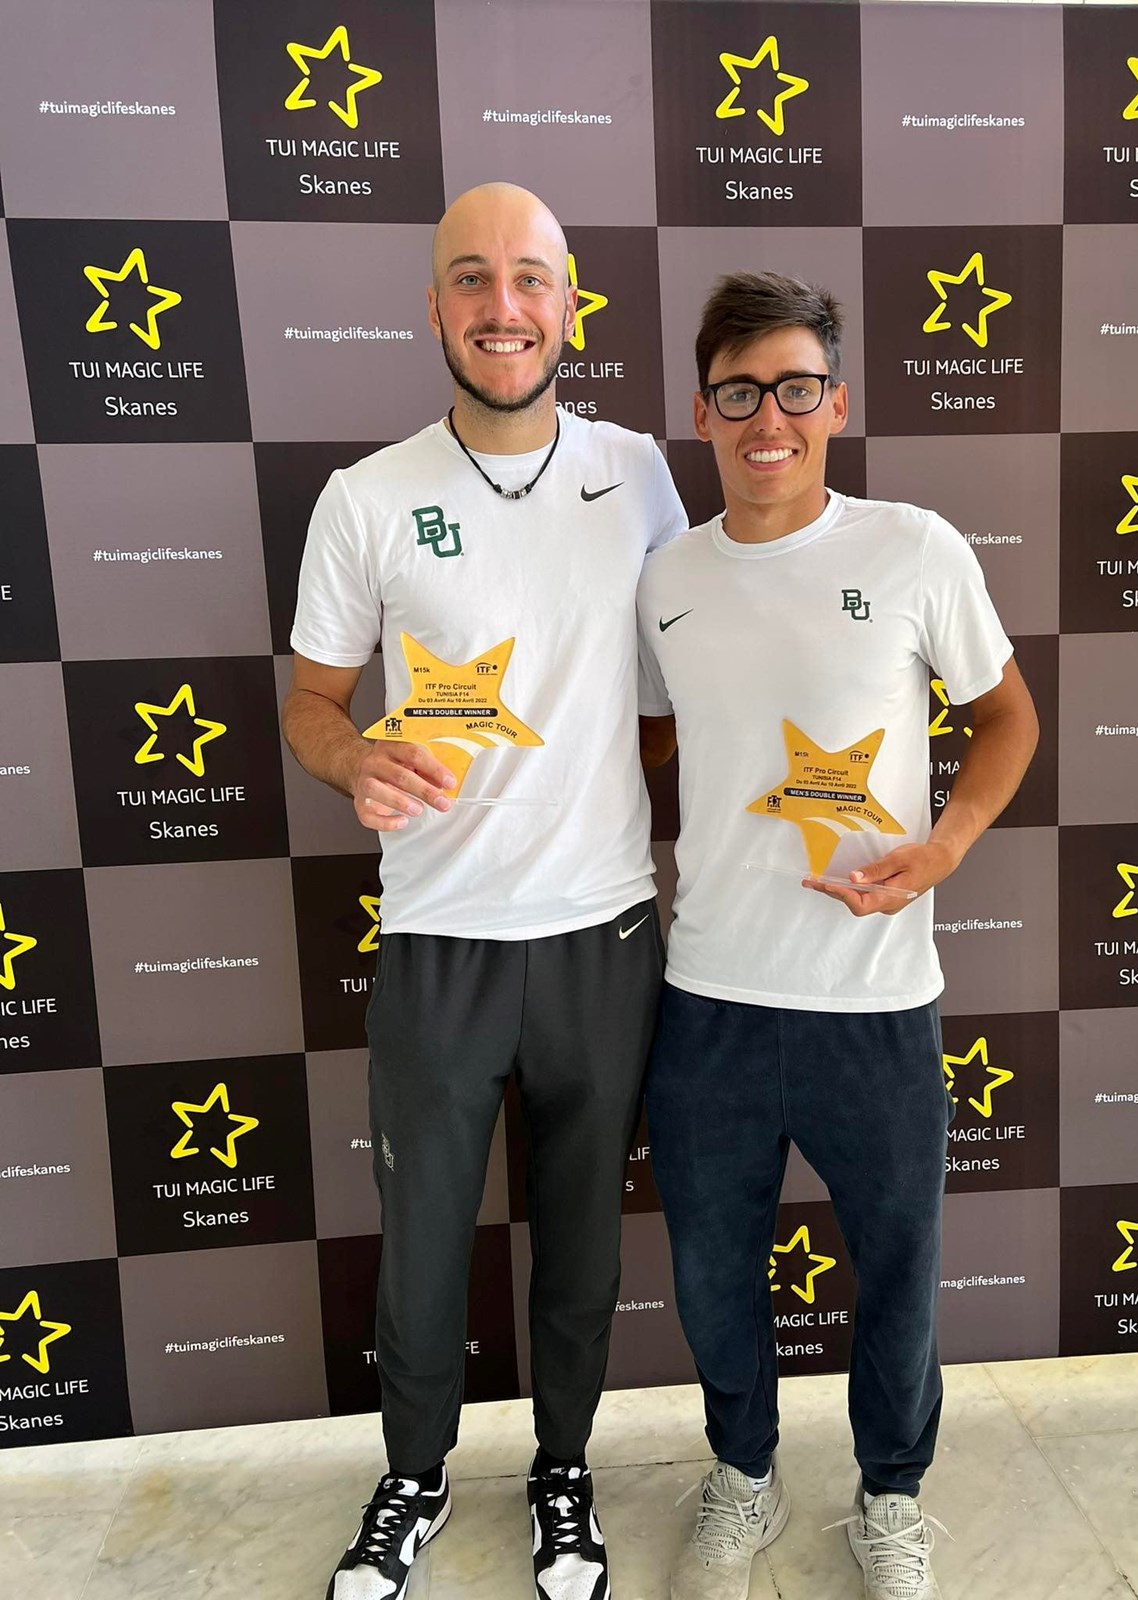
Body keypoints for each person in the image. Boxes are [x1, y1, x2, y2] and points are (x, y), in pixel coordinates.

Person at [282, 181, 686, 1600]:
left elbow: (671, 692)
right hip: (441, 945)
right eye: (472, 278)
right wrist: (353, 763)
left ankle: (562, 1473)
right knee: (425, 1247)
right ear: (435, 307)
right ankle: (413, 1478)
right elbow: (314, 702)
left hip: (604, 936)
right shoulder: (367, 498)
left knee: (580, 1246)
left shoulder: (639, 471)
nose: (502, 307)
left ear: (569, 303)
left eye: (529, 278)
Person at [636, 271, 1039, 1600]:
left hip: (876, 1004)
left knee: (903, 1278)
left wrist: (946, 845)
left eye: (797, 388)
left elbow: (1008, 722)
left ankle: (891, 1498)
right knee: (710, 1273)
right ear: (704, 411)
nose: (771, 418)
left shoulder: (914, 547)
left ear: (835, 401)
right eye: (742, 391)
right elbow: (643, 750)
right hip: (710, 1003)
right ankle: (742, 1479)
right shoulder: (666, 578)